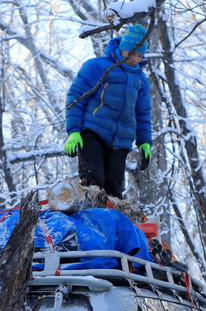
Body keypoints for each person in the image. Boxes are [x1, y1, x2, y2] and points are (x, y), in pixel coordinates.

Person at [64, 23, 152, 198]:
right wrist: (74, 132)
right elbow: (76, 97)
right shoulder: (97, 66)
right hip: (93, 132)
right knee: (93, 182)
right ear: (123, 48)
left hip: (121, 142)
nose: (135, 58)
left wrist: (144, 142)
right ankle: (90, 220)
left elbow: (143, 114)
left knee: (114, 190)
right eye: (132, 53)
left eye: (140, 55)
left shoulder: (140, 79)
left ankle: (109, 223)